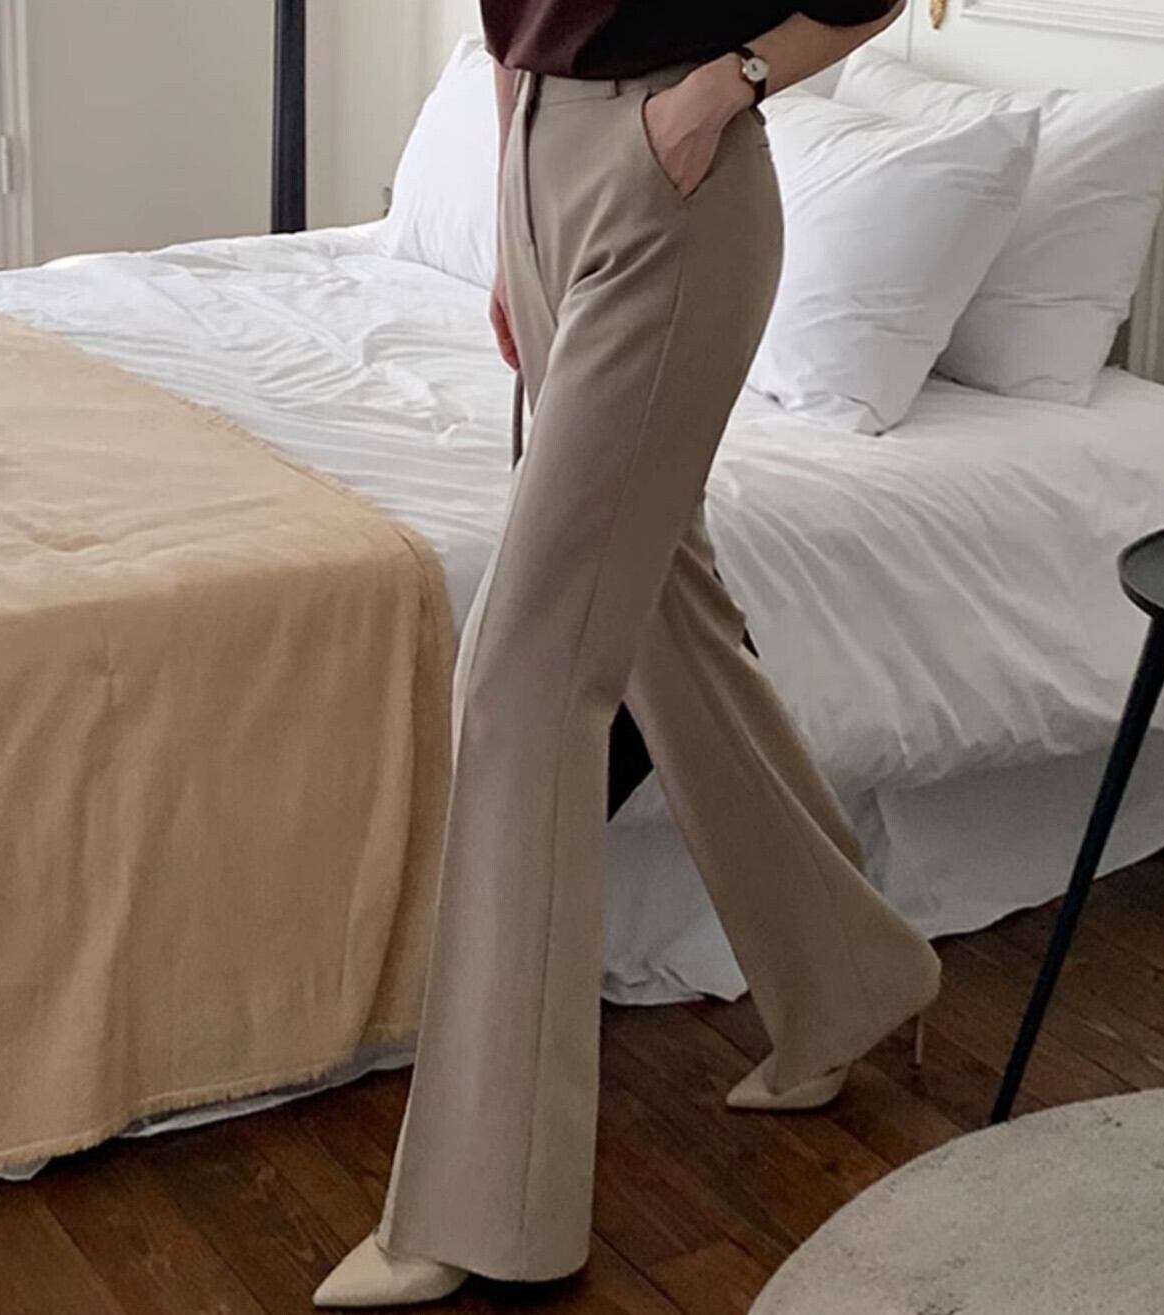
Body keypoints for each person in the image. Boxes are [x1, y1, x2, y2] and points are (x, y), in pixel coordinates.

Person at [315, 2, 939, 1306]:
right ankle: (849, 977)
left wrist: (723, 90)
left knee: (520, 681)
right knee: (666, 621)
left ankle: (488, 1210)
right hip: (537, 164)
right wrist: (511, 220)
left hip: (674, 181)